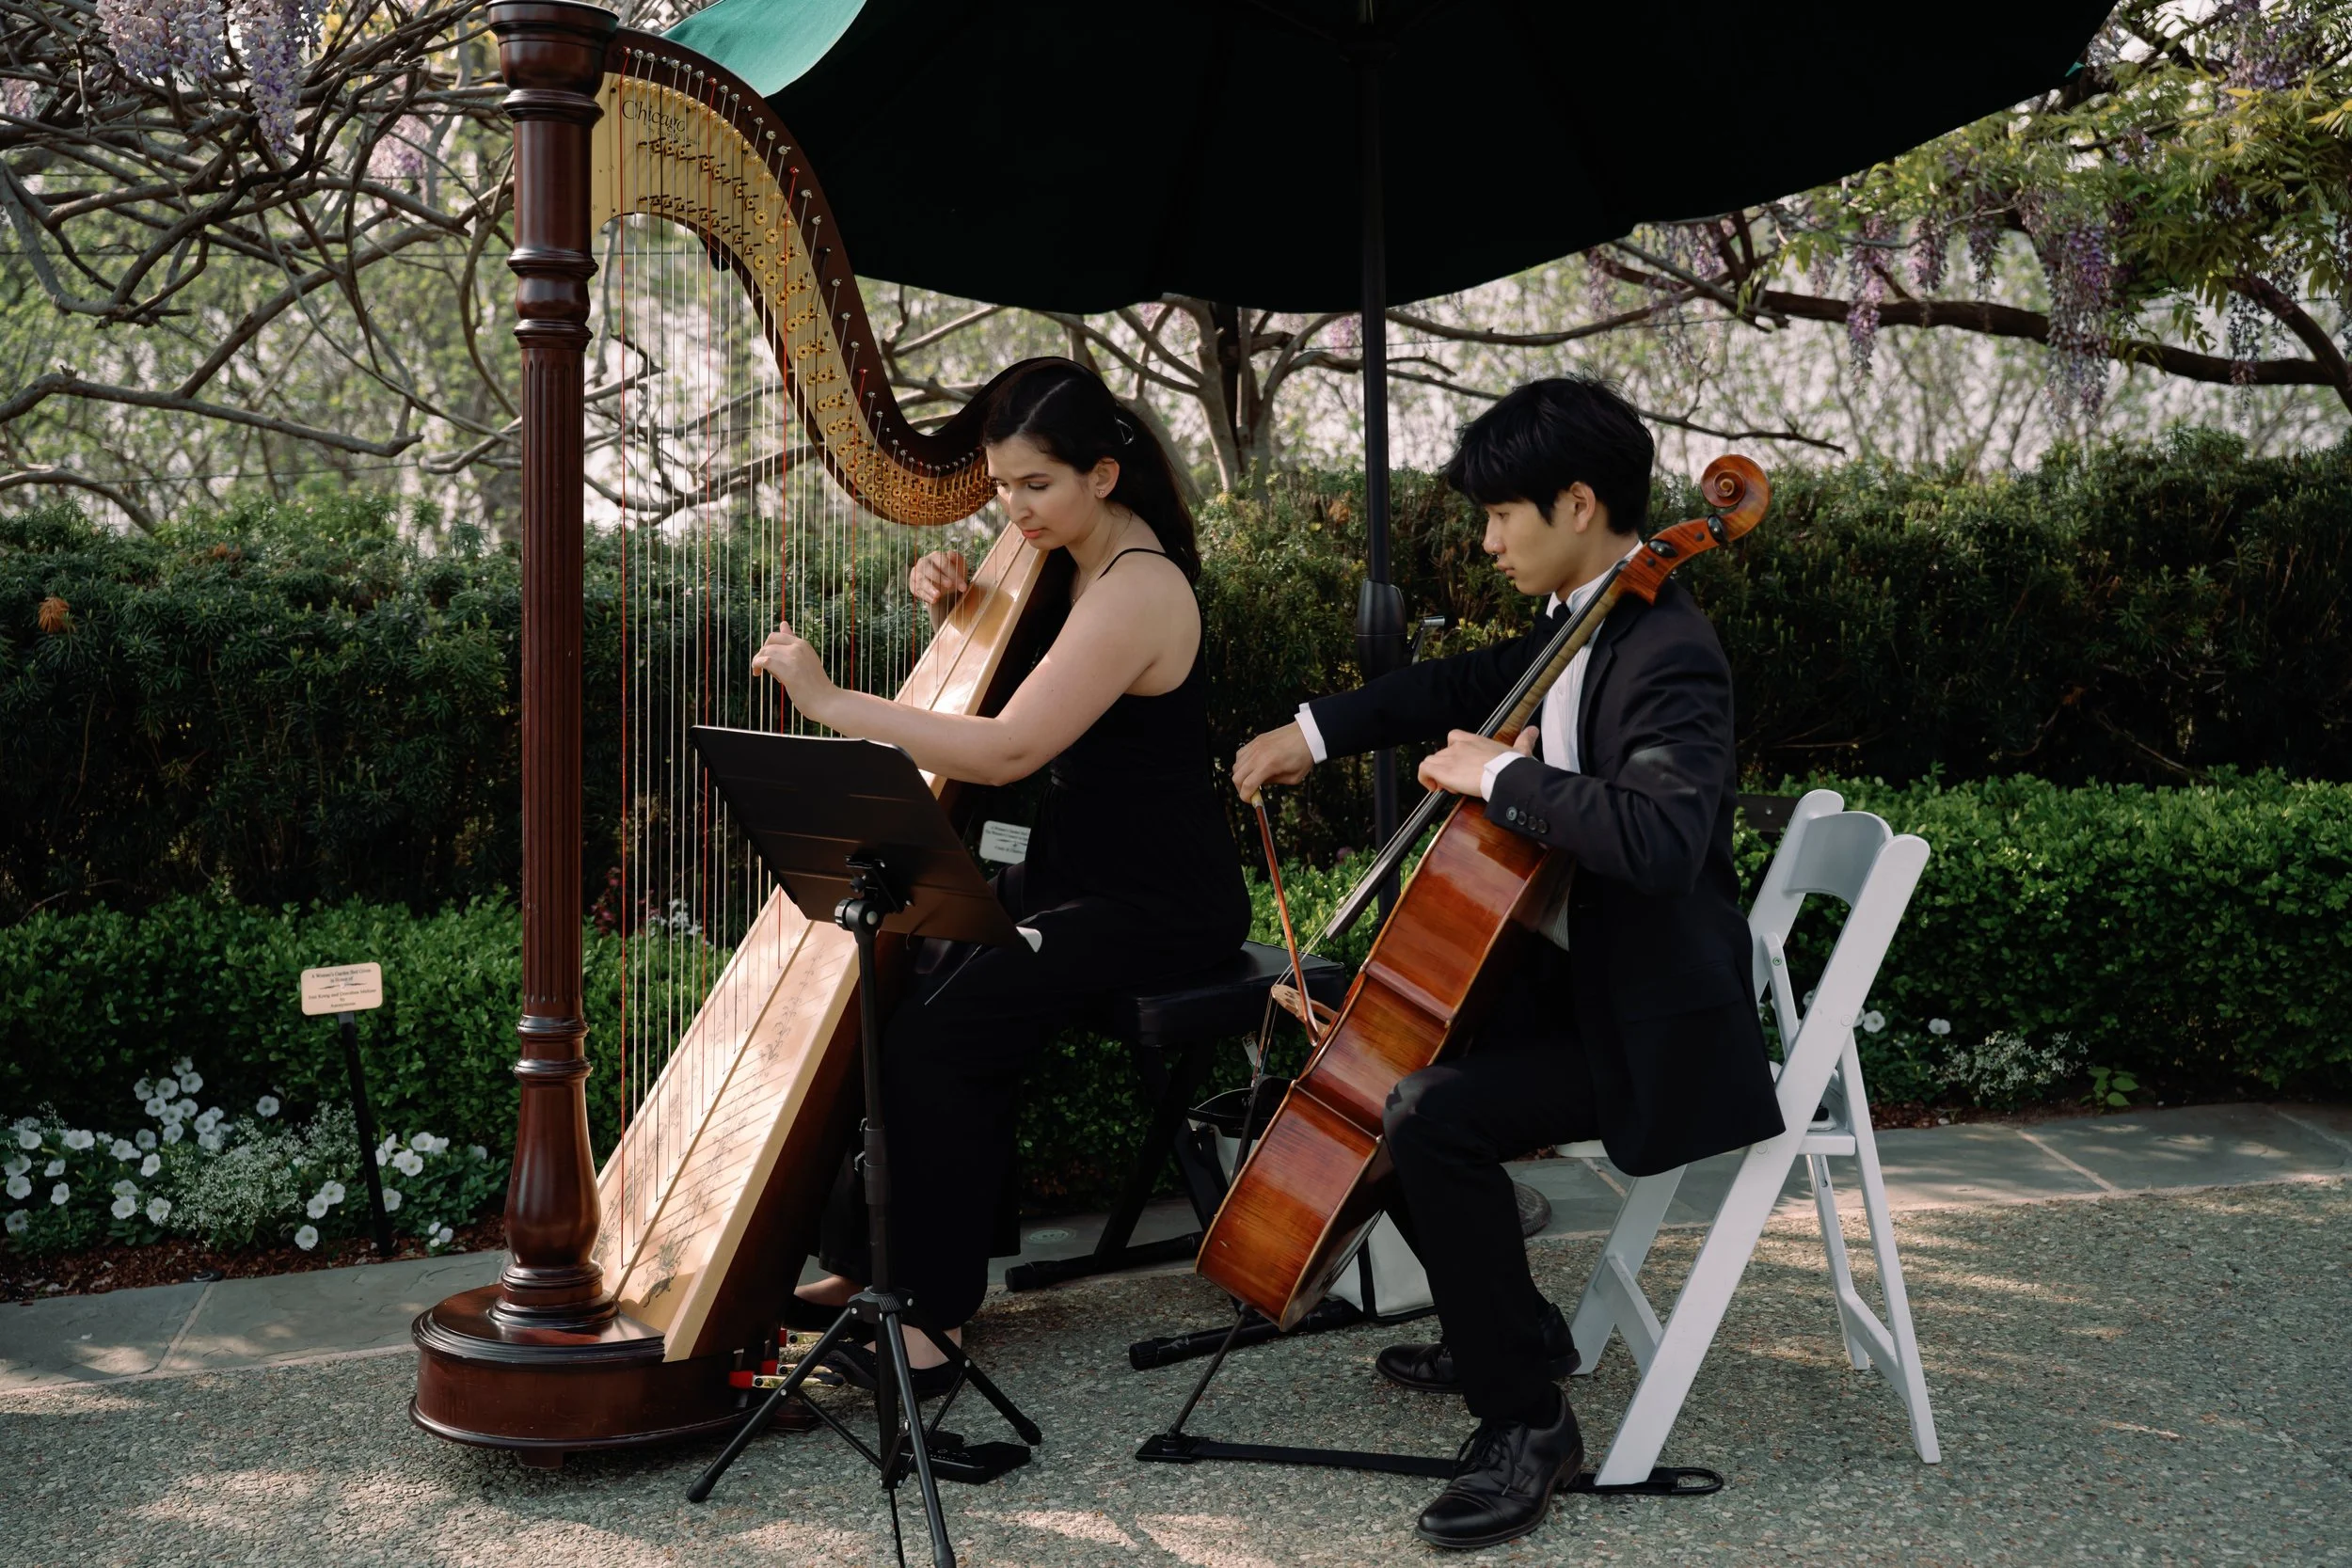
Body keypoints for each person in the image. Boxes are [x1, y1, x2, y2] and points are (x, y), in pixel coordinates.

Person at [1231, 376, 1782, 1551]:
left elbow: (1662, 839)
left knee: (1427, 1106)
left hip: (1648, 1028)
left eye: (1499, 518)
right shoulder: (1585, 620)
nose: (1487, 543)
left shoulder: (1670, 649)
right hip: (1574, 991)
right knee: (1371, 1036)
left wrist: (1500, 778)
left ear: (1577, 502)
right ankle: (1513, 1329)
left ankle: (1526, 1420)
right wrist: (1310, 733)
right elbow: (1449, 687)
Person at [753, 357, 1249, 1394]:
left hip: (1154, 901)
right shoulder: (1063, 561)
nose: (1011, 506)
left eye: (1036, 484)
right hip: (1073, 872)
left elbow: (1012, 747)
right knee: (899, 964)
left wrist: (838, 704)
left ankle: (930, 1320)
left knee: (946, 1030)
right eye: (998, 483)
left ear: (1102, 475)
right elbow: (1024, 690)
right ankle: (867, 1265)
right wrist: (960, 603)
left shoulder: (1139, 588)